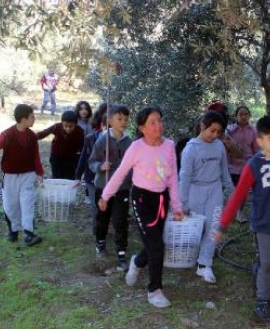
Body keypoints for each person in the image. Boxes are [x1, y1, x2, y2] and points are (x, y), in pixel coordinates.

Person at [213, 115, 270, 322]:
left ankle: (259, 268)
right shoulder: (253, 165)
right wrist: (222, 226)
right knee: (269, 264)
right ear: (260, 141)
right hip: (262, 224)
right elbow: (237, 197)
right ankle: (263, 300)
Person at [98, 106, 184, 309]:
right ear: (142, 128)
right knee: (157, 246)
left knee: (154, 243)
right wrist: (106, 195)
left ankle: (137, 262)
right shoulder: (136, 147)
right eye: (153, 122)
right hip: (142, 200)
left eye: (160, 121)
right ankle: (154, 290)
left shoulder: (170, 146)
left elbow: (172, 178)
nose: (158, 126)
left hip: (161, 200)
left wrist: (177, 205)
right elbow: (120, 173)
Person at [179, 110, 234, 284]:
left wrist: (231, 191)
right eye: (212, 130)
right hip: (195, 190)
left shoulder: (219, 146)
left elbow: (224, 170)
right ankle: (191, 256)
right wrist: (183, 202)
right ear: (202, 126)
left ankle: (205, 264)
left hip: (214, 190)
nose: (215, 135)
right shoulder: (190, 149)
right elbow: (185, 177)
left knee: (213, 226)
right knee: (196, 227)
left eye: (218, 132)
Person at [0, 104, 43, 247]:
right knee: (10, 205)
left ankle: (29, 234)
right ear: (23, 119)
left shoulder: (32, 136)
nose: (34, 118)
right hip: (10, 176)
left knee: (27, 202)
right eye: (32, 116)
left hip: (28, 175)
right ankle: (13, 230)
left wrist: (39, 173)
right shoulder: (7, 135)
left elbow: (36, 156)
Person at [89, 105, 133, 271]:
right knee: (103, 218)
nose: (123, 122)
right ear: (110, 121)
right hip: (103, 187)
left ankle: (121, 253)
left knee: (121, 221)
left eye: (126, 119)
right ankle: (100, 243)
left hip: (122, 188)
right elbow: (91, 162)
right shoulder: (102, 140)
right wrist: (101, 166)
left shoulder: (129, 143)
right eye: (119, 119)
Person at [226, 105, 260, 223]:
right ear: (236, 116)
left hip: (247, 165)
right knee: (234, 190)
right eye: (241, 114)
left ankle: (240, 212)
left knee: (244, 190)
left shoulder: (253, 131)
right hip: (232, 166)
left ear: (249, 116)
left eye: (246, 114)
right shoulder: (229, 130)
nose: (244, 117)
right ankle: (231, 211)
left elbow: (256, 149)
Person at [36, 110, 85, 179]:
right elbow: (45, 132)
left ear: (76, 124)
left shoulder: (80, 131)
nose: (68, 129)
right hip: (56, 157)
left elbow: (82, 145)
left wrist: (79, 156)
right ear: (62, 123)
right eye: (65, 126)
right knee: (57, 177)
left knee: (69, 178)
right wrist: (33, 137)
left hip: (71, 159)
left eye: (71, 126)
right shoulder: (56, 127)